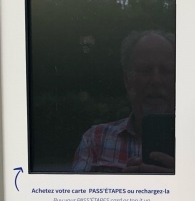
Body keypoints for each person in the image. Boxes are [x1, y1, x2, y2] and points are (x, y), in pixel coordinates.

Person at [72, 30, 175, 173]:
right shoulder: (95, 140)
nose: (156, 80)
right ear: (127, 80)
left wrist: (183, 179)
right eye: (145, 70)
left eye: (166, 70)